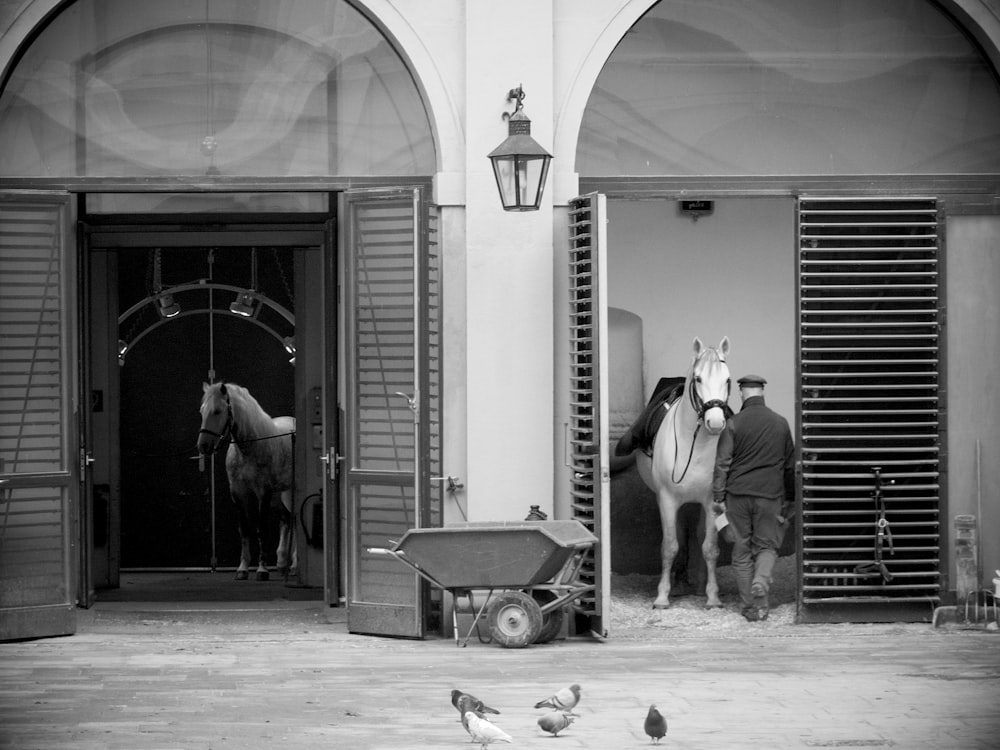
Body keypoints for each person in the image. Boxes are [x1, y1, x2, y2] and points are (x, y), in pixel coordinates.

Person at [712, 374, 795, 622]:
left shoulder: (733, 424)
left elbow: (722, 463)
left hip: (737, 495)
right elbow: (790, 465)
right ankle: (761, 587)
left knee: (741, 551)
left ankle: (749, 607)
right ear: (762, 392)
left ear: (741, 394)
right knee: (767, 547)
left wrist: (718, 495)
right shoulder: (780, 423)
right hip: (770, 496)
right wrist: (790, 498)